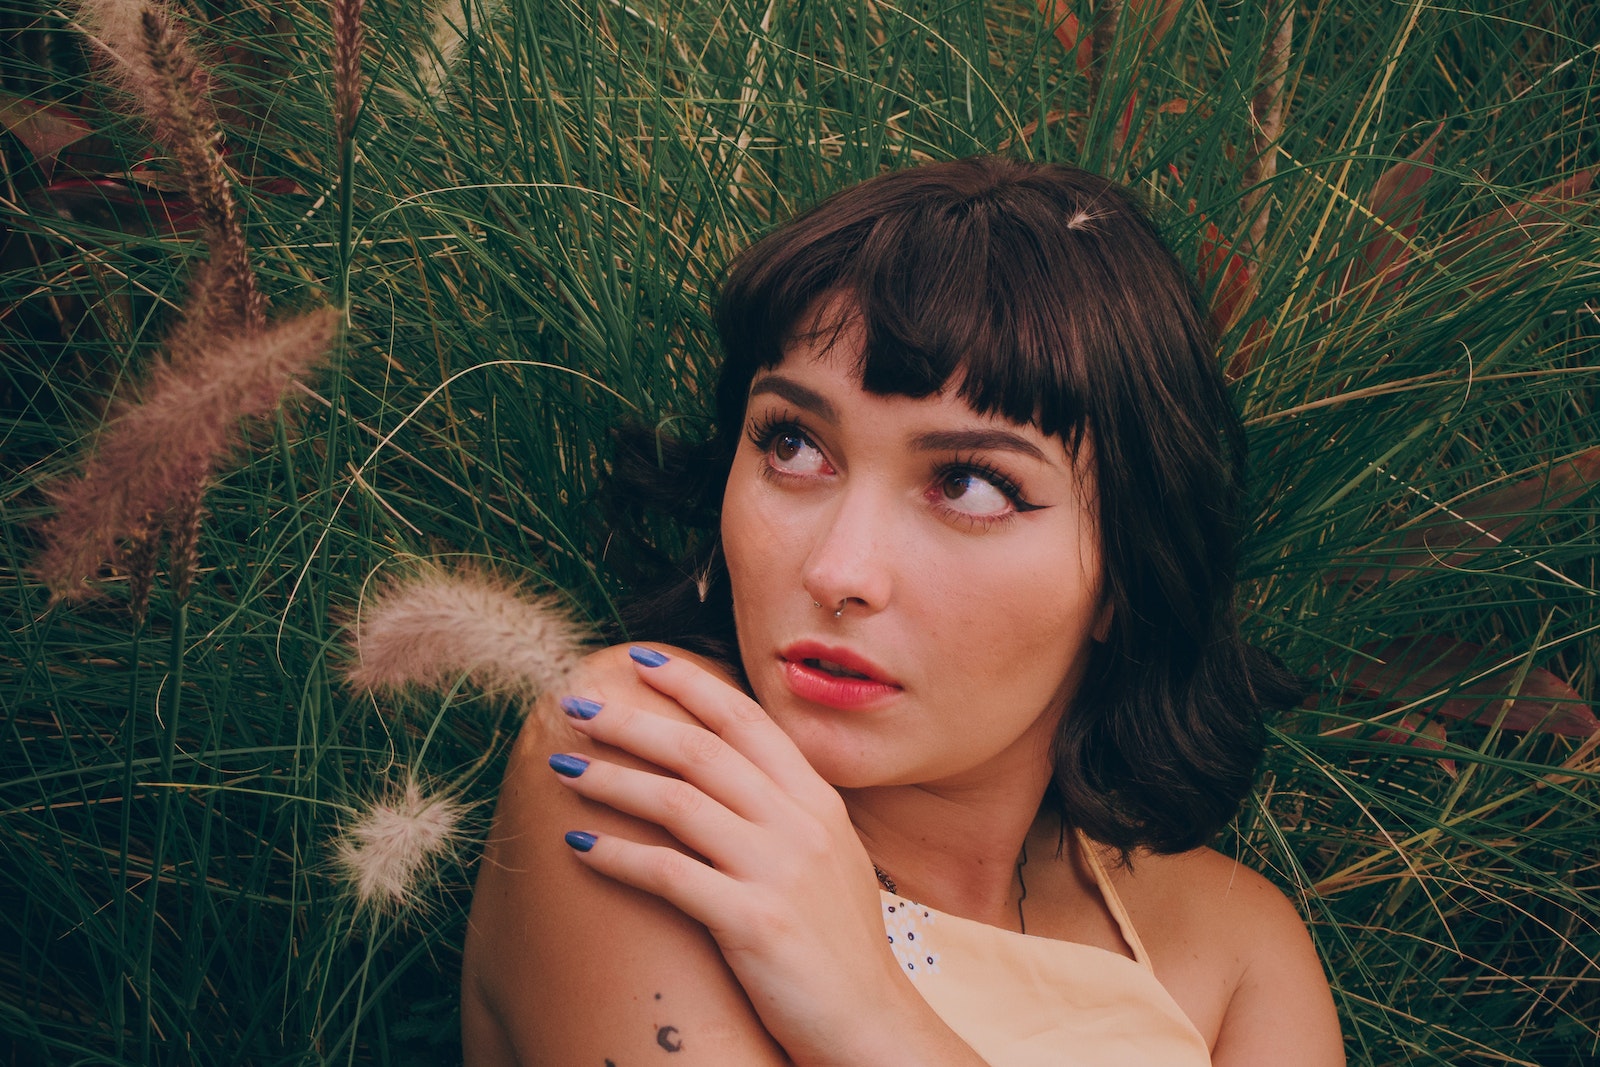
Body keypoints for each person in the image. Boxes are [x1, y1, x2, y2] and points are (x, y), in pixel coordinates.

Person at [460, 157, 1345, 1066]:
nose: (840, 570)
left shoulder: (1234, 952)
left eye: (968, 483)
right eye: (794, 444)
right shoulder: (658, 769)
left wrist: (876, 1017)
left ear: (1124, 577)